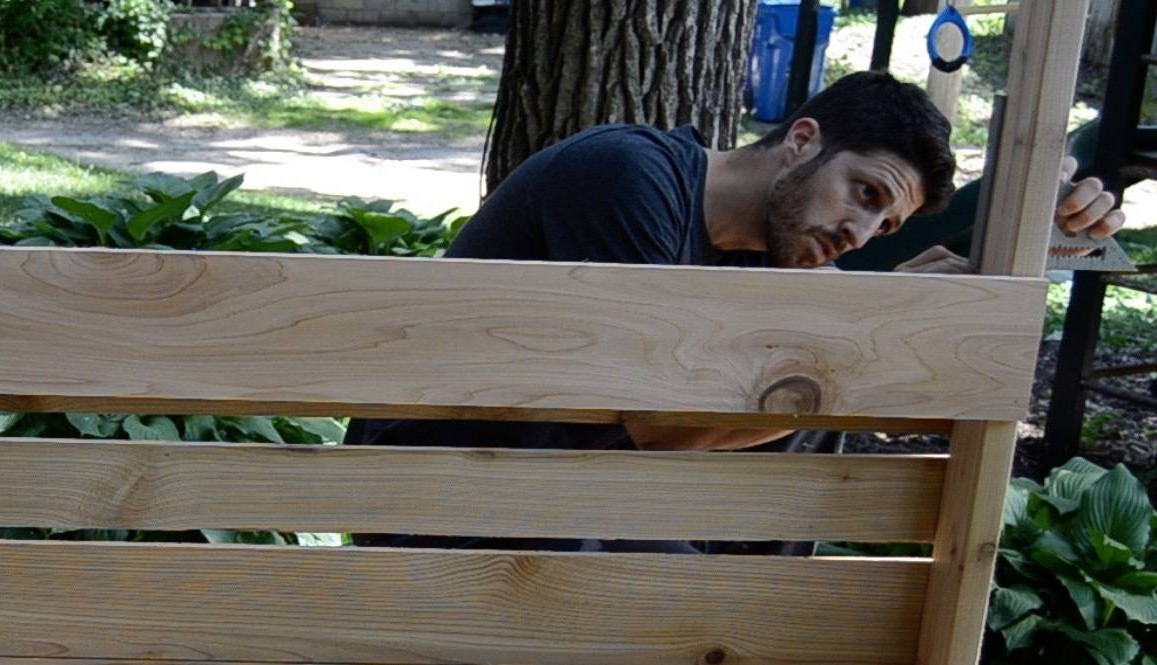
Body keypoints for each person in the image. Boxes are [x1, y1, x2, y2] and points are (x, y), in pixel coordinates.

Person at [348, 72, 1125, 491]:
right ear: (802, 140)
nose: (860, 233)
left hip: (544, 493)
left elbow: (819, 352)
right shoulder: (629, 179)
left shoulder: (769, 258)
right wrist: (860, 362)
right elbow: (661, 427)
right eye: (865, 193)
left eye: (883, 227)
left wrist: (1042, 228)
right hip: (438, 483)